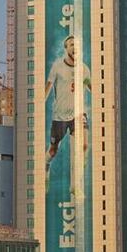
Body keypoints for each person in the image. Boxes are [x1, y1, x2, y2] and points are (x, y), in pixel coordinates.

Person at [44, 34, 92, 171]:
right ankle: (46, 163)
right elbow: (47, 88)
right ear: (66, 48)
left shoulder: (84, 69)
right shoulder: (57, 66)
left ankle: (77, 177)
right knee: (53, 150)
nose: (74, 47)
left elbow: (93, 88)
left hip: (78, 114)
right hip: (59, 117)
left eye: (76, 45)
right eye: (71, 44)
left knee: (83, 145)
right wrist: (38, 106)